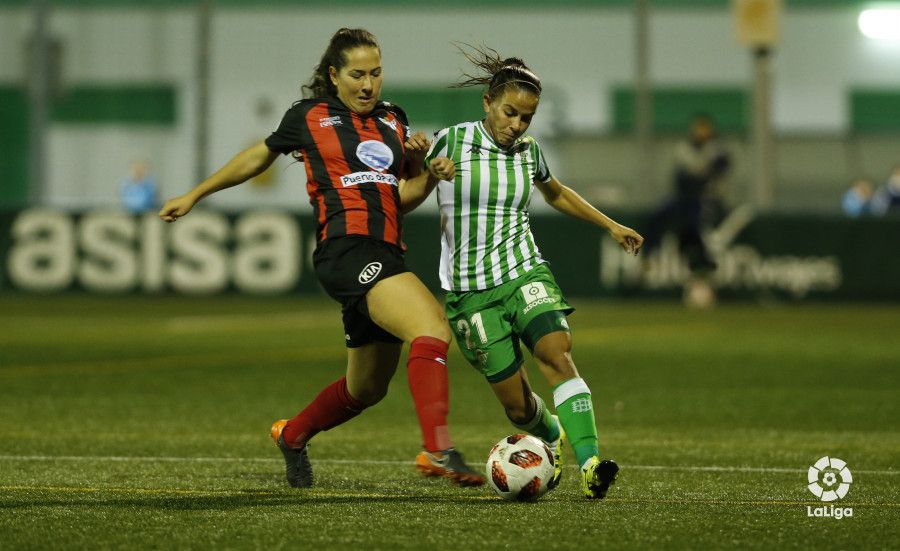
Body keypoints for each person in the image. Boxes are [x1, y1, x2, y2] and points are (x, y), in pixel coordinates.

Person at [158, 28, 484, 489]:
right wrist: (196, 194)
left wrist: (429, 173)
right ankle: (438, 447)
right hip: (345, 249)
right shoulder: (309, 116)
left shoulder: (394, 119)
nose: (368, 84)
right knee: (431, 327)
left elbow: (400, 197)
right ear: (334, 76)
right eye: (357, 75)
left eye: (376, 73)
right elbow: (257, 157)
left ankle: (292, 436)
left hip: (384, 249)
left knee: (366, 389)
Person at [402, 46, 643, 499]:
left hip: (523, 272)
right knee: (518, 409)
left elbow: (556, 193)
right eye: (510, 113)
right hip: (470, 294)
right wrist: (425, 165)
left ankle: (591, 463)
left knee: (557, 353)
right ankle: (552, 434)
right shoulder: (450, 141)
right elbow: (407, 191)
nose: (516, 125)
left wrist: (610, 225)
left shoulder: (529, 152)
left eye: (526, 118)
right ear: (487, 102)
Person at [642, 114, 731, 308]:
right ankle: (649, 254)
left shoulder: (717, 148)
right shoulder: (684, 148)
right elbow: (683, 178)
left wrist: (703, 175)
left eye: (704, 128)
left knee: (694, 229)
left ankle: (705, 267)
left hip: (706, 199)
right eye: (698, 128)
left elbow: (720, 169)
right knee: (659, 216)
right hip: (684, 198)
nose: (701, 132)